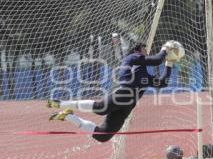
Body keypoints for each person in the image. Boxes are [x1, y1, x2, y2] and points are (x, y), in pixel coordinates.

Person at [47, 43, 176, 142]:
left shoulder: (146, 77)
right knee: (100, 109)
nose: (147, 52)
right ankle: (61, 104)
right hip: (123, 92)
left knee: (103, 136)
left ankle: (68, 116)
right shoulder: (132, 58)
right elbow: (157, 60)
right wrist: (165, 49)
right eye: (144, 49)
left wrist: (169, 64)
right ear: (137, 50)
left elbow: (163, 82)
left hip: (128, 105)